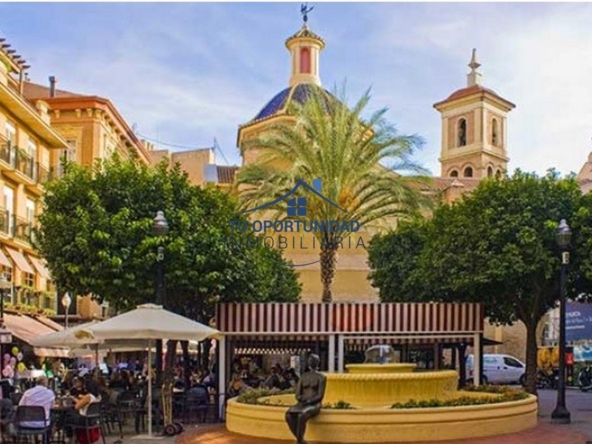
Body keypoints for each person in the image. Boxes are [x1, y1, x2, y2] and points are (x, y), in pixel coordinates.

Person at [285, 354, 326, 444]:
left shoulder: (321, 377)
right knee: (288, 415)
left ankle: (299, 441)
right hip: (302, 403)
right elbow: (298, 394)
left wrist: (310, 401)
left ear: (317, 362)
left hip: (314, 404)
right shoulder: (303, 376)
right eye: (310, 360)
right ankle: (301, 440)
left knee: (302, 416)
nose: (311, 362)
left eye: (313, 360)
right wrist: (302, 399)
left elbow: (320, 395)